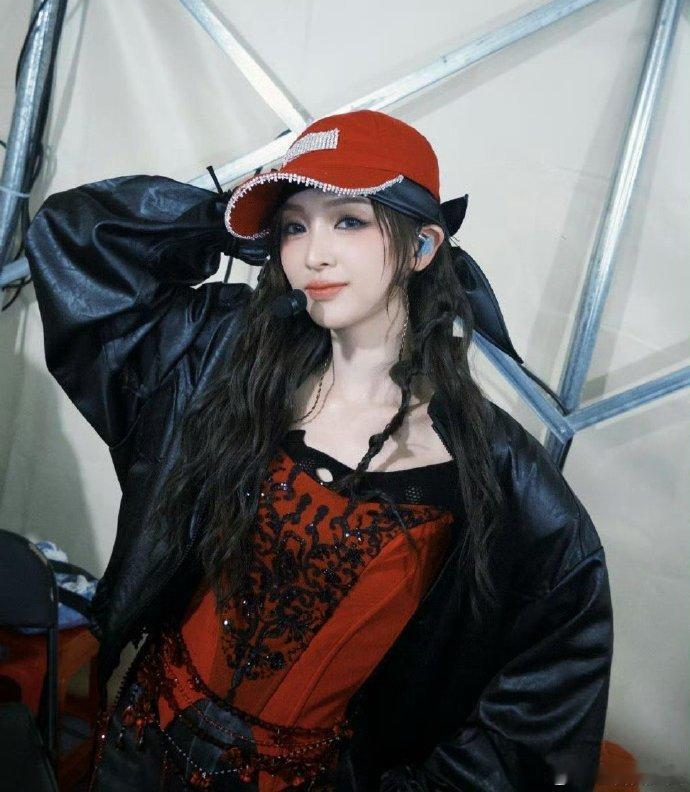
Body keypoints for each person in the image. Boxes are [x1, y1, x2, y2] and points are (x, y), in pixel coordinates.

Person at [24, 109, 613, 791]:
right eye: (294, 226)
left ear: (422, 247)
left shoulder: (493, 469)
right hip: (139, 742)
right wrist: (218, 220)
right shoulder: (229, 361)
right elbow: (72, 243)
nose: (313, 255)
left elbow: (550, 692)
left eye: (349, 222)